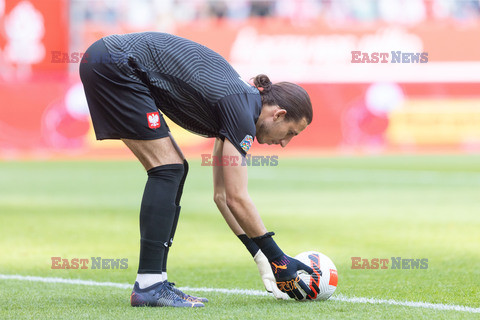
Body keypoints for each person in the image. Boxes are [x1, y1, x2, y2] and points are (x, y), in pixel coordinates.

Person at [79, 32, 316, 308]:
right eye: (291, 133)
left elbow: (222, 196)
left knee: (173, 168)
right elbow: (237, 198)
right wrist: (279, 259)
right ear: (279, 114)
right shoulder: (241, 111)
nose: (285, 144)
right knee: (168, 168)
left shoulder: (241, 105)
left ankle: (154, 282)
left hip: (111, 60)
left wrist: (261, 256)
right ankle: (149, 284)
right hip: (115, 63)